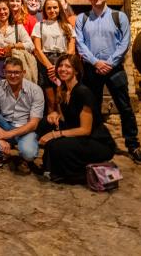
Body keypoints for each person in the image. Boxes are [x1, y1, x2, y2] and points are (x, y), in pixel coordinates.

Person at [75, 0, 141, 165]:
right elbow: (80, 44)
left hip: (114, 69)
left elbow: (125, 42)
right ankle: (96, 140)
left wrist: (109, 62)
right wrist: (95, 62)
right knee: (92, 106)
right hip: (92, 69)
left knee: (124, 107)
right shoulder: (82, 19)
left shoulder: (119, 17)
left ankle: (133, 145)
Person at [39, 54, 116, 183]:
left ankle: (83, 174)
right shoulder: (63, 89)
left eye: (68, 66)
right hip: (80, 134)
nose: (63, 69)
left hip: (97, 141)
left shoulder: (83, 92)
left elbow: (85, 129)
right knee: (44, 123)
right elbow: (66, 116)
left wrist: (55, 134)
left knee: (55, 145)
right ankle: (55, 169)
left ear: (76, 70)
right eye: (61, 66)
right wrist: (55, 115)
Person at [0, 57, 44, 174]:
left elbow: (34, 124)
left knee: (29, 154)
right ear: (4, 73)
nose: (13, 76)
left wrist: (7, 134)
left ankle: (22, 158)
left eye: (16, 72)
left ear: (23, 73)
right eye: (9, 72)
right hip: (5, 124)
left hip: (25, 129)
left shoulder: (35, 90)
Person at [32, 0, 75, 115]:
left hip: (63, 62)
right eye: (49, 8)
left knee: (61, 98)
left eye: (55, 7)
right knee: (50, 101)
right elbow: (37, 49)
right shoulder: (39, 25)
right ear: (44, 10)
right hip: (45, 62)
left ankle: (64, 128)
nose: (52, 10)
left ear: (59, 9)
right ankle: (52, 129)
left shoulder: (67, 26)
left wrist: (61, 66)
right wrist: (50, 67)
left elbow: (71, 49)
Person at [0, 0, 34, 89]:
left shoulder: (18, 27)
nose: (2, 12)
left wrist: (13, 46)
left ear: (9, 10)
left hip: (14, 64)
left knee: (14, 92)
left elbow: (30, 45)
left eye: (4, 9)